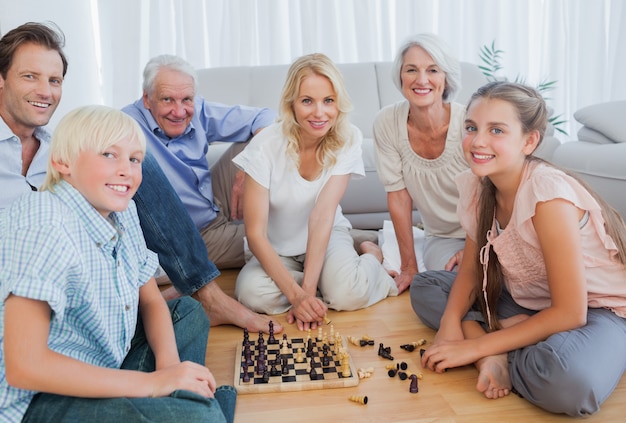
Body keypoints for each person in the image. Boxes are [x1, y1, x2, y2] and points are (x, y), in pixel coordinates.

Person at [0, 21, 279, 334]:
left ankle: (185, 298)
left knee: (186, 316)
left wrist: (248, 165)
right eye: (29, 77)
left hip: (83, 271)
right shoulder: (121, 127)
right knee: (133, 163)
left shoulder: (57, 147)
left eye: (54, 80)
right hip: (21, 289)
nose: (45, 91)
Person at [0, 105, 236, 422]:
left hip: (104, 361)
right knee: (200, 418)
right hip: (38, 401)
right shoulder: (43, 222)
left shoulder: (123, 211)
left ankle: (181, 400)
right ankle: (198, 409)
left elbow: (151, 299)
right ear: (62, 162)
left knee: (187, 312)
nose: (126, 169)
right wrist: (152, 383)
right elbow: (24, 368)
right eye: (109, 155)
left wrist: (169, 370)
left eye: (135, 159)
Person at [412, 81, 626, 417]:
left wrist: (474, 346)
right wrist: (450, 323)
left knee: (570, 383)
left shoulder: (546, 193)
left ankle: (497, 345)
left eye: (496, 130)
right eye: (471, 127)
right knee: (426, 287)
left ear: (529, 141)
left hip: (597, 311)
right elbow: (470, 271)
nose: (478, 141)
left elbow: (572, 312)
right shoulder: (477, 185)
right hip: (528, 299)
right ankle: (504, 344)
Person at [232, 53, 399, 331]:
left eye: (328, 101)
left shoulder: (348, 138)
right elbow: (255, 234)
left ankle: (372, 256)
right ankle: (329, 284)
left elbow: (322, 217)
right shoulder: (264, 147)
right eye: (307, 101)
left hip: (327, 234)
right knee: (250, 293)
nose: (319, 113)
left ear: (338, 103)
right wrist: (298, 296)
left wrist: (305, 294)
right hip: (276, 246)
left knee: (346, 293)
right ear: (291, 104)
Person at [372, 33, 468, 293]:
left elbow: (493, 195)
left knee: (497, 281)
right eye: (411, 70)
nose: (422, 80)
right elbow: (399, 197)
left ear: (445, 77)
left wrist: (475, 250)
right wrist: (409, 267)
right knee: (456, 286)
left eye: (433, 70)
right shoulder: (387, 122)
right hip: (443, 238)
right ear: (400, 76)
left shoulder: (469, 122)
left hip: (489, 234)